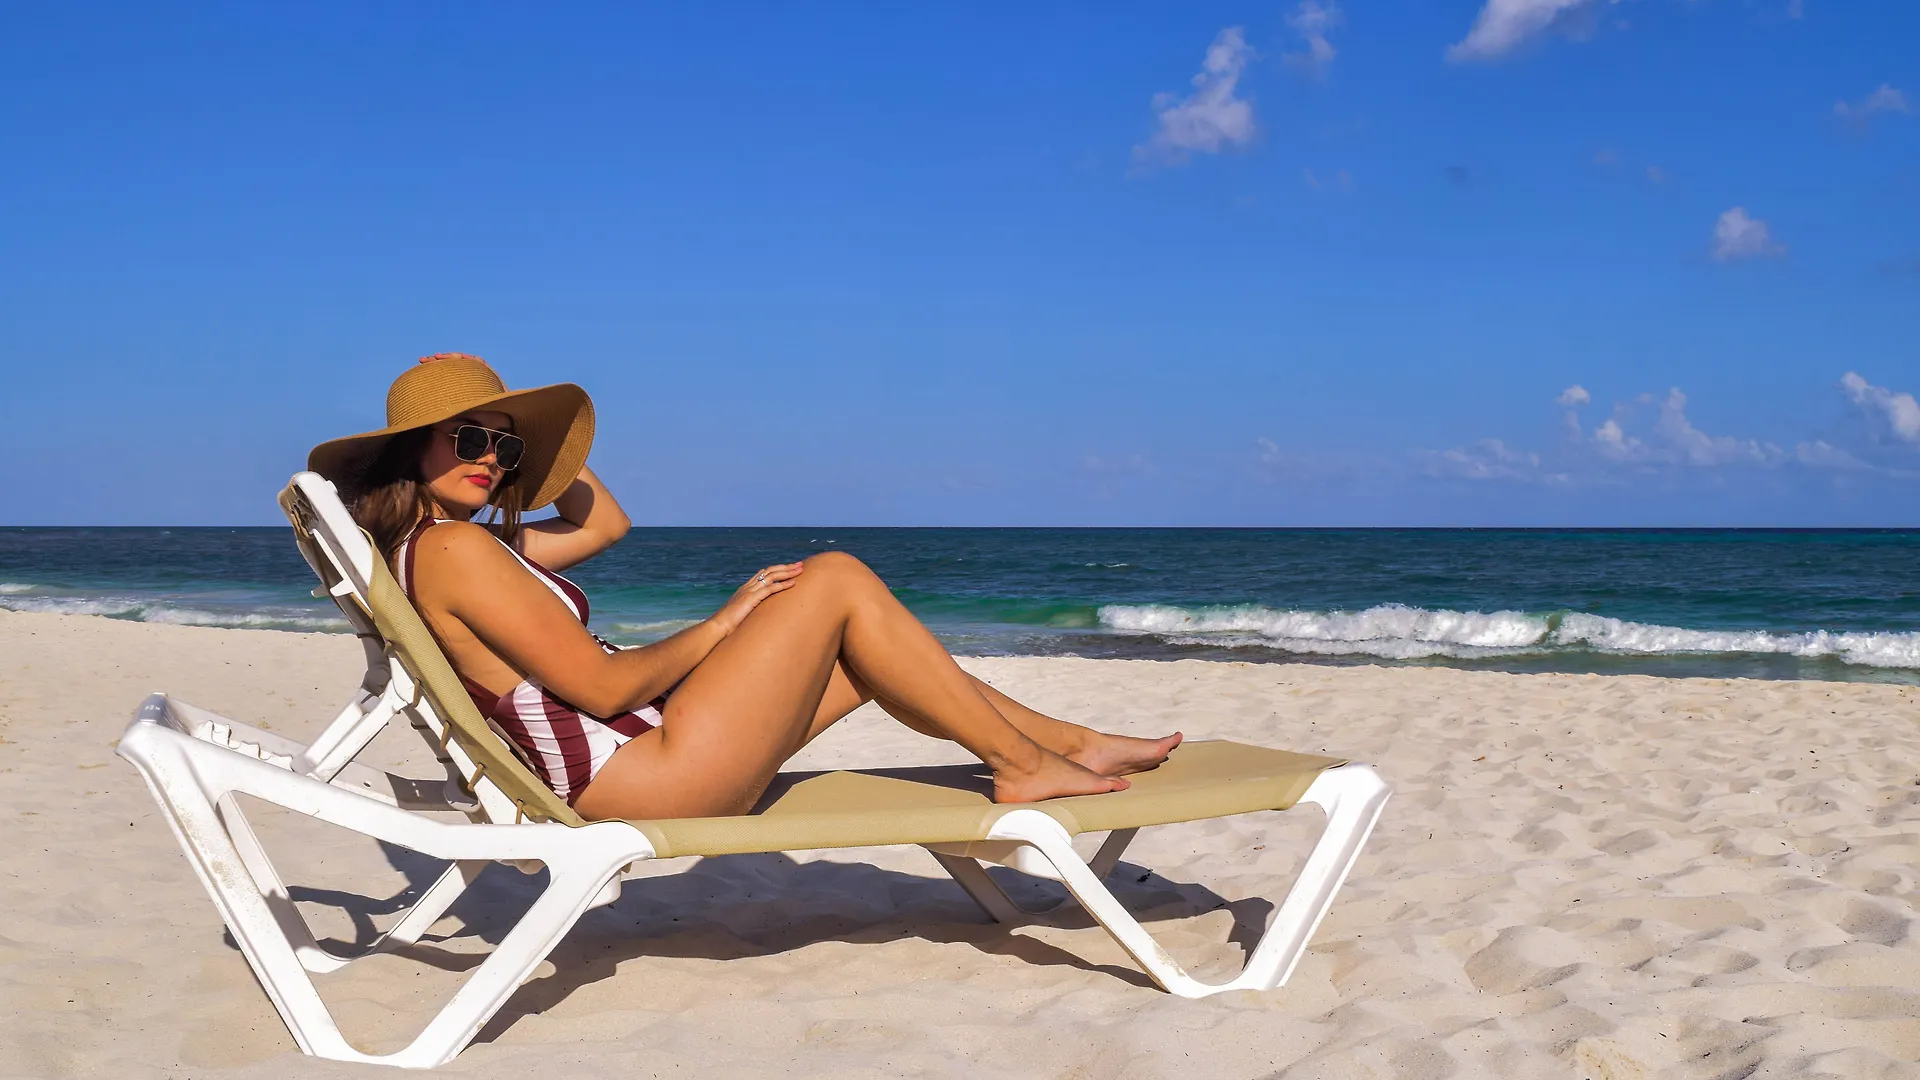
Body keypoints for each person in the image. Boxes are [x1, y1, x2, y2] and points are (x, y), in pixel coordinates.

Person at [309, 353, 1180, 821]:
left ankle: (1072, 745)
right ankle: (1024, 766)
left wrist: (536, 447)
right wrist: (724, 624)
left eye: (504, 446)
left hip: (652, 753)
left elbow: (605, 525)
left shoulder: (451, 550)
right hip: (643, 778)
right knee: (836, 578)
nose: (492, 459)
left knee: (869, 654)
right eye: (467, 439)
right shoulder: (458, 553)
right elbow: (604, 688)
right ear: (410, 448)